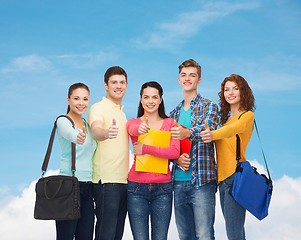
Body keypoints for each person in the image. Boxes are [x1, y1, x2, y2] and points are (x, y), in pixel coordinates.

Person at [200, 74, 255, 240]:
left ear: (243, 92)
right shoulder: (224, 120)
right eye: (226, 89)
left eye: (235, 88)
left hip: (235, 177)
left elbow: (231, 130)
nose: (230, 92)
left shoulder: (246, 116)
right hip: (222, 180)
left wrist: (213, 134)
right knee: (234, 231)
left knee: (234, 232)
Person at [170, 59, 219, 240]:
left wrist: (187, 132)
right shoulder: (173, 114)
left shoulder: (210, 106)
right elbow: (167, 146)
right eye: (184, 75)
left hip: (202, 182)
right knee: (185, 236)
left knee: (204, 235)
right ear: (179, 79)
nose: (187, 78)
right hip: (178, 182)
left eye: (192, 75)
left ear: (199, 80)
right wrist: (175, 160)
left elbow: (208, 129)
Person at [126, 81, 180, 240]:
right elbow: (132, 129)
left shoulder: (170, 123)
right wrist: (140, 129)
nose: (150, 101)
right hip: (136, 188)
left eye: (154, 97)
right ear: (141, 100)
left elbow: (174, 152)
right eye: (146, 97)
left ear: (161, 99)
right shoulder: (134, 122)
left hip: (163, 188)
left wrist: (146, 149)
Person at [88, 66, 129, 240]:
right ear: (106, 85)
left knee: (116, 235)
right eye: (114, 82)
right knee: (106, 234)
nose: (118, 86)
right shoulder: (98, 108)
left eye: (122, 82)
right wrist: (106, 133)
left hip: (123, 181)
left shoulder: (123, 113)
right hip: (106, 181)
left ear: (126, 85)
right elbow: (96, 130)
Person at [56, 83, 96, 240]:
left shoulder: (87, 124)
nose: (81, 103)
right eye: (76, 98)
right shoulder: (63, 121)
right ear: (68, 100)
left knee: (86, 236)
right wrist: (77, 137)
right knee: (65, 236)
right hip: (68, 186)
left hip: (88, 186)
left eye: (85, 99)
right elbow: (70, 134)